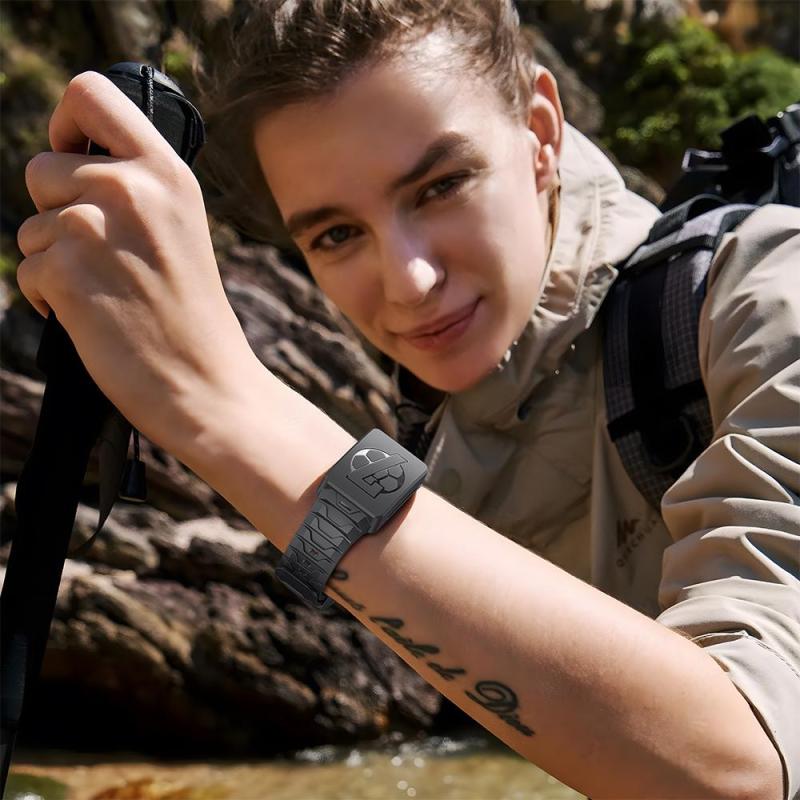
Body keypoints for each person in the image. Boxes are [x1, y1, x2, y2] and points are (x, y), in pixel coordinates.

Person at [14, 1, 798, 797]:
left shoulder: (771, 298)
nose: (410, 283)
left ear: (540, 133)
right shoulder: (444, 416)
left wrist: (225, 402)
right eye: (335, 235)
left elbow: (742, 769)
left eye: (441, 185)